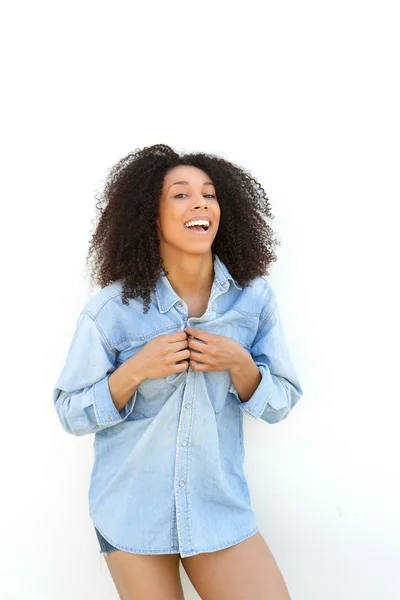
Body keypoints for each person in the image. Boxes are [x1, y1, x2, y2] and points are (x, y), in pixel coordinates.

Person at [53, 143, 303, 600]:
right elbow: (69, 411)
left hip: (217, 508)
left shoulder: (253, 300)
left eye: (209, 194)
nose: (200, 203)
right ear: (152, 216)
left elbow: (281, 400)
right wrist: (134, 371)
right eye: (181, 195)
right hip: (131, 513)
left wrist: (241, 364)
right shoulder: (111, 311)